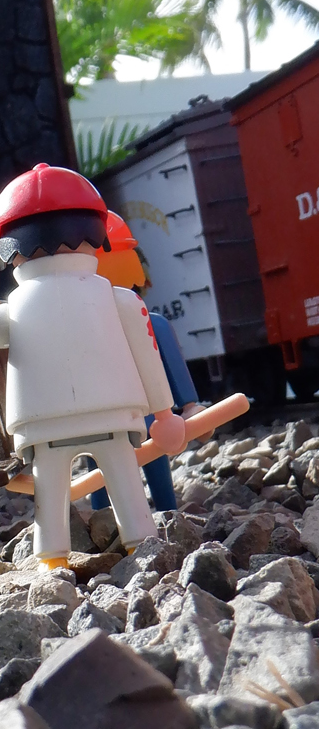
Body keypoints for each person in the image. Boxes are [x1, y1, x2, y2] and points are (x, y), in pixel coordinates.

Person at [0, 163, 186, 568]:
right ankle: (141, 546)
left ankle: (52, 561)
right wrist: (164, 413)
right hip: (113, 415)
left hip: (44, 425)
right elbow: (148, 353)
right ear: (95, 234)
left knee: (50, 492)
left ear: (11, 248)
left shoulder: (12, 309)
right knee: (125, 481)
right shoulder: (119, 298)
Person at [88, 212, 205, 515]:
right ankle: (105, 517)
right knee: (102, 471)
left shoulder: (151, 324)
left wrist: (190, 406)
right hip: (115, 417)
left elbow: (172, 366)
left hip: (140, 417)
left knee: (132, 464)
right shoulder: (92, 331)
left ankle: (157, 512)